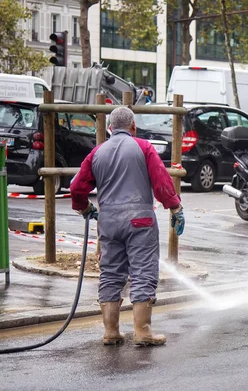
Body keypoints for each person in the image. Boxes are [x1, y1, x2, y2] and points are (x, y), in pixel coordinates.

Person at [70, 107, 185, 346]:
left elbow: (76, 187)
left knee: (111, 273)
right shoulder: (143, 147)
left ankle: (111, 331)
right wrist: (174, 206)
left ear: (110, 128)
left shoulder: (97, 152)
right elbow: (161, 181)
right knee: (143, 272)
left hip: (109, 223)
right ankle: (142, 332)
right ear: (133, 126)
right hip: (140, 221)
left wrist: (83, 207)